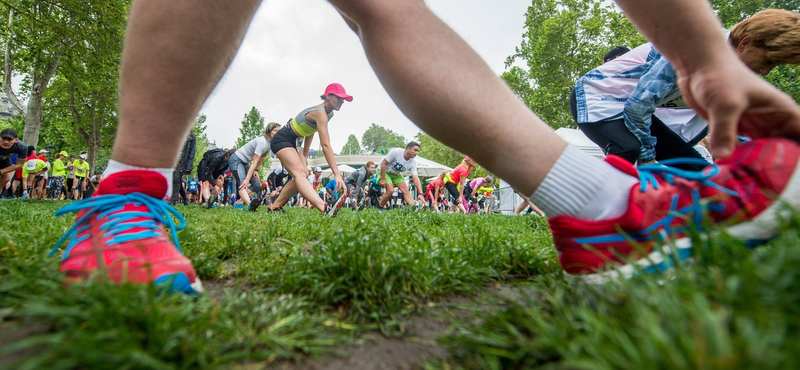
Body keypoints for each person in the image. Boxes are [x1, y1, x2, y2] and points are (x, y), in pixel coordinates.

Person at [49, 0, 800, 295]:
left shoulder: (331, 117)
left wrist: (704, 54)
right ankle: (126, 193)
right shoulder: (314, 110)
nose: (342, 104)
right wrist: (328, 178)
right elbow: (318, 141)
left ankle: (604, 208)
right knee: (295, 177)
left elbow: (333, 146)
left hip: (285, 149)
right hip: (271, 141)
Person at [573, 9, 800, 169]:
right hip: (597, 96)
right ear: (745, 43)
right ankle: (588, 213)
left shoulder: (731, 73)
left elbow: (740, 122)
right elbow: (638, 105)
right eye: (769, 61)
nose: (766, 72)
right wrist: (647, 158)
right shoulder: (692, 47)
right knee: (630, 149)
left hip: (639, 112)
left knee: (698, 171)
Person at [265, 84, 350, 214]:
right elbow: (326, 146)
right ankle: (323, 207)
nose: (342, 101)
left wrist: (304, 155)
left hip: (295, 142)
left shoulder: (329, 114)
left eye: (343, 98)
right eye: (339, 97)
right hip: (282, 139)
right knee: (299, 174)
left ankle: (275, 206)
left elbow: (311, 130)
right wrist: (337, 174)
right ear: (328, 96)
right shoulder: (321, 113)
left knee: (303, 174)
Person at [230, 122, 281, 212]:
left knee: (256, 184)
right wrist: (247, 179)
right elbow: (254, 161)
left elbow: (262, 157)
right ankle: (250, 204)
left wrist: (256, 170)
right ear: (269, 131)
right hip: (236, 159)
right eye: (275, 130)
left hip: (245, 162)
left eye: (278, 131)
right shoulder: (262, 141)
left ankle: (238, 203)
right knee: (243, 183)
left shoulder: (270, 144)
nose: (277, 133)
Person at [378, 142, 425, 209]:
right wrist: (383, 179)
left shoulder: (413, 162)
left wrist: (420, 193)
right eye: (415, 150)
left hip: (396, 174)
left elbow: (415, 178)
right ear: (408, 149)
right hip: (385, 170)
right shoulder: (396, 152)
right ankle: (380, 207)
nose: (416, 153)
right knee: (390, 190)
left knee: (405, 189)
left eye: (417, 151)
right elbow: (383, 163)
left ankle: (413, 209)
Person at [0, 129, 28, 195]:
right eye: (3, 139)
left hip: (4, 159)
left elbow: (19, 165)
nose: (6, 142)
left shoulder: (22, 147)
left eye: (9, 139)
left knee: (6, 178)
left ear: (16, 140)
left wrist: (1, 171)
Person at [171, 132, 196, 206]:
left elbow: (192, 152)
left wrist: (189, 165)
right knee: (177, 180)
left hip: (183, 162)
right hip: (174, 160)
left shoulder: (191, 137)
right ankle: (185, 199)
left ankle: (173, 201)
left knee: (176, 179)